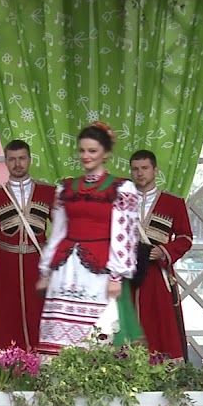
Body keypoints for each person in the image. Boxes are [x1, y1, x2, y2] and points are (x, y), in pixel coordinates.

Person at [36, 122, 144, 354]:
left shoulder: (121, 188)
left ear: (106, 153)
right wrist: (46, 270)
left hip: (100, 269)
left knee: (100, 327)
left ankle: (96, 380)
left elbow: (124, 234)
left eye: (92, 151)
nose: (86, 156)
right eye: (82, 150)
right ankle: (59, 383)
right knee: (59, 331)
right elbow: (58, 231)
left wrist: (116, 276)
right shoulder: (66, 188)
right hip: (66, 268)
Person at [0, 140, 55, 351]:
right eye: (12, 159)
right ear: (6, 162)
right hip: (4, 267)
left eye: (22, 158)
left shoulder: (48, 192)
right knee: (4, 318)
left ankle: (41, 367)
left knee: (39, 315)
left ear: (30, 160)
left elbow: (62, 232)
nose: (18, 164)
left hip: (38, 266)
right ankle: (5, 368)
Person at [129, 150, 194, 361]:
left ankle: (163, 373)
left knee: (161, 323)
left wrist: (163, 251)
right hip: (128, 276)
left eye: (145, 168)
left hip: (158, 275)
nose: (140, 173)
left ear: (155, 170)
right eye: (136, 169)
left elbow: (185, 238)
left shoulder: (173, 203)